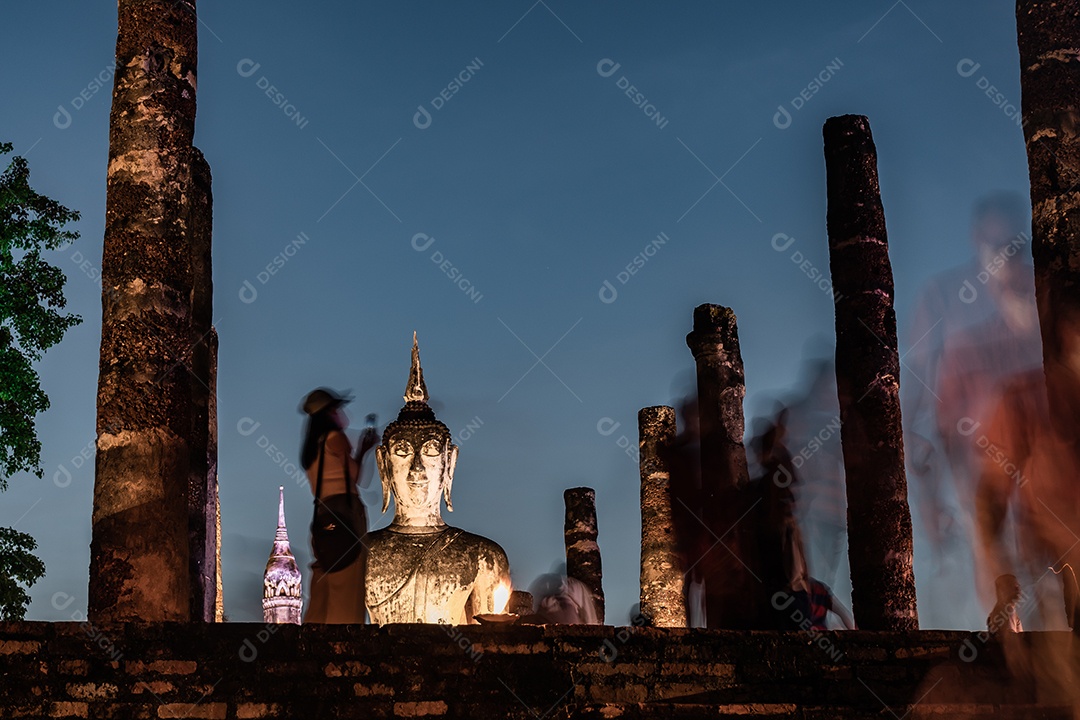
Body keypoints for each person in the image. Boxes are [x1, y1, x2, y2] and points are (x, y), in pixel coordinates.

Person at [365, 335, 511, 624]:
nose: (417, 469)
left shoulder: (482, 556)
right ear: (384, 465)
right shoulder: (362, 554)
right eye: (403, 452)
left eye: (431, 452)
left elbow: (491, 638)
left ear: (449, 464)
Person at [300, 387, 378, 624]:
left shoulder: (311, 449)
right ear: (328, 414)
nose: (341, 414)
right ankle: (344, 640)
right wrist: (364, 450)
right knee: (347, 583)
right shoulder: (335, 438)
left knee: (323, 580)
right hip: (346, 512)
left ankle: (312, 636)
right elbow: (355, 476)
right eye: (336, 409)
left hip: (322, 514)